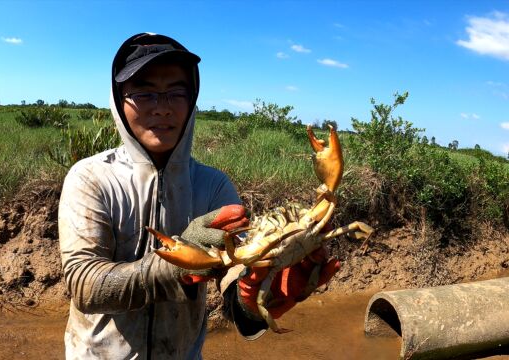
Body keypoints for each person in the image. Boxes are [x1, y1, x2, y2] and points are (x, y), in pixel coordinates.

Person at [58, 32, 340, 359]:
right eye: (144, 93)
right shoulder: (92, 177)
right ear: (119, 99)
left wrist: (263, 293)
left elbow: (238, 297)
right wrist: (178, 263)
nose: (162, 108)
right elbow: (84, 285)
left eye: (176, 92)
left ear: (192, 100)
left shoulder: (213, 187)